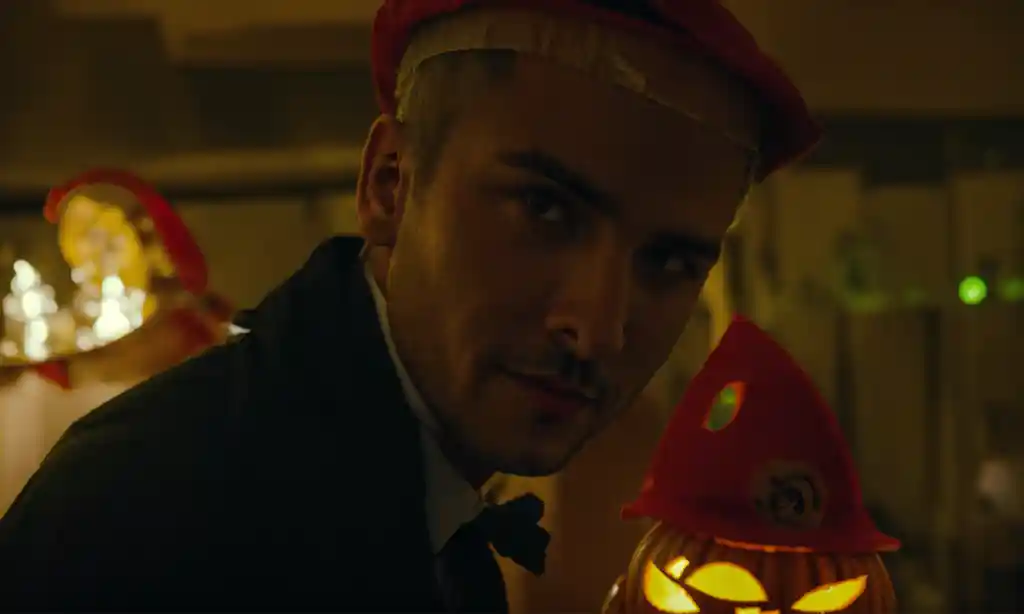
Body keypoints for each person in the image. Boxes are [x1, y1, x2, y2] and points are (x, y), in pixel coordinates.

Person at [0, 0, 820, 610]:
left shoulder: (395, 499)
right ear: (389, 185)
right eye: (545, 211)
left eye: (669, 262)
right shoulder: (155, 510)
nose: (596, 327)